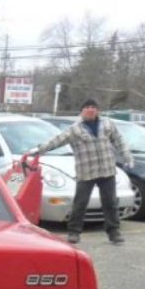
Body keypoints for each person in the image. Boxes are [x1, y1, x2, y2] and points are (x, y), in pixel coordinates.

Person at [30, 99, 134, 244]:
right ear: (82, 111)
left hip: (107, 170)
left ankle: (114, 232)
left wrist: (127, 157)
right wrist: (38, 150)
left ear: (97, 110)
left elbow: (119, 141)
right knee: (80, 203)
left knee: (110, 202)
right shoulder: (75, 129)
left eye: (93, 107)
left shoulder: (108, 125)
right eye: (87, 107)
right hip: (86, 172)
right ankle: (74, 232)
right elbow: (57, 140)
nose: (90, 110)